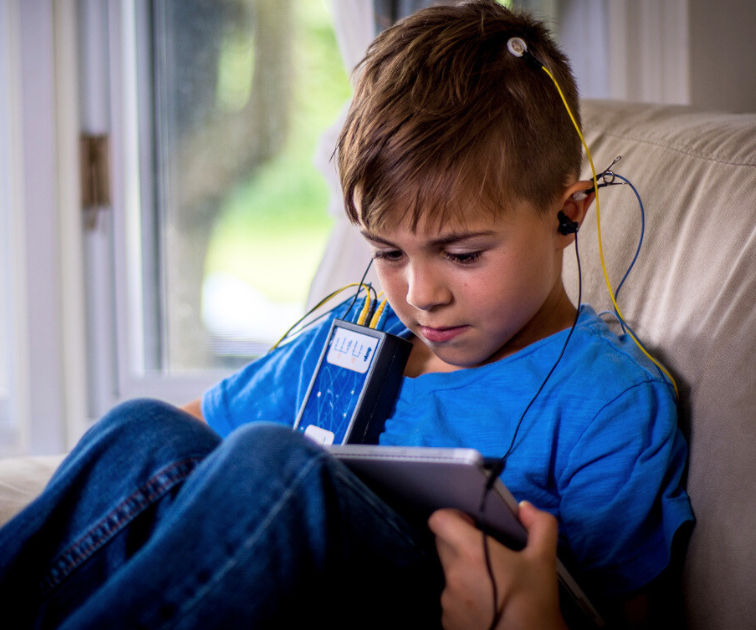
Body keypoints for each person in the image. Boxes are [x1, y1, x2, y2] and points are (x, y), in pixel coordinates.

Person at [0, 1, 693, 628]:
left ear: (566, 214)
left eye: (463, 253)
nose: (420, 293)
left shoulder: (608, 400)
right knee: (143, 428)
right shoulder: (356, 340)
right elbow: (178, 452)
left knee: (280, 465)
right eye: (389, 251)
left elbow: (630, 616)